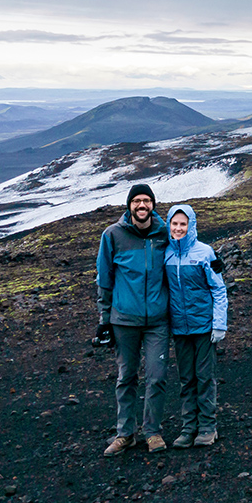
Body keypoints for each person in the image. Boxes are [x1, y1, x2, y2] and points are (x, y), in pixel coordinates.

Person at [95, 184, 171, 456]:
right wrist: (104, 319)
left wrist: (212, 263)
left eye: (146, 201)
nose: (142, 206)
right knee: (126, 377)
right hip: (124, 320)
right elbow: (105, 279)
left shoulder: (164, 233)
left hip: (158, 322)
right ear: (129, 205)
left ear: (153, 204)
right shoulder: (113, 235)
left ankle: (152, 432)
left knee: (157, 376)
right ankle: (125, 434)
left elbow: (185, 253)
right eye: (137, 201)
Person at [164, 204, 228, 448]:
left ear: (191, 226)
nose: (178, 228)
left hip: (203, 327)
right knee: (186, 378)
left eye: (183, 224)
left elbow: (218, 289)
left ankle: (208, 427)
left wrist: (219, 324)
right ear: (169, 225)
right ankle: (188, 427)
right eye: (174, 223)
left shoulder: (205, 252)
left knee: (204, 377)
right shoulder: (166, 253)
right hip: (179, 327)